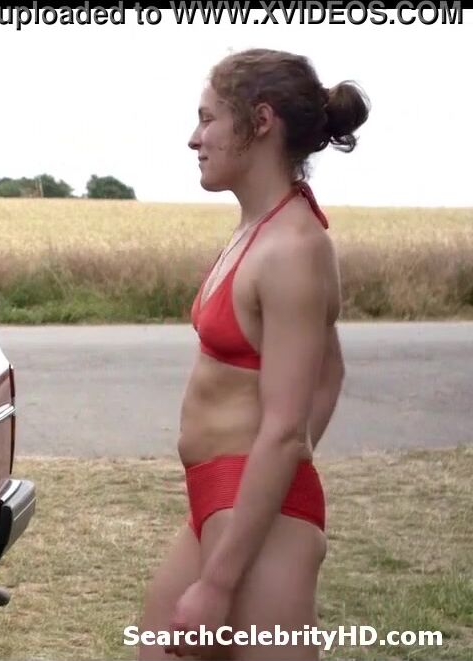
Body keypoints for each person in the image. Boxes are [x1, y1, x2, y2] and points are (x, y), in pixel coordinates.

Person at [137, 49, 369, 660]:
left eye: (207, 118)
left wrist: (220, 581)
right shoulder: (259, 229)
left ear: (260, 122)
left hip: (260, 514)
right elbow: (331, 370)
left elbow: (288, 428)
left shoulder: (294, 248)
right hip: (220, 499)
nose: (194, 138)